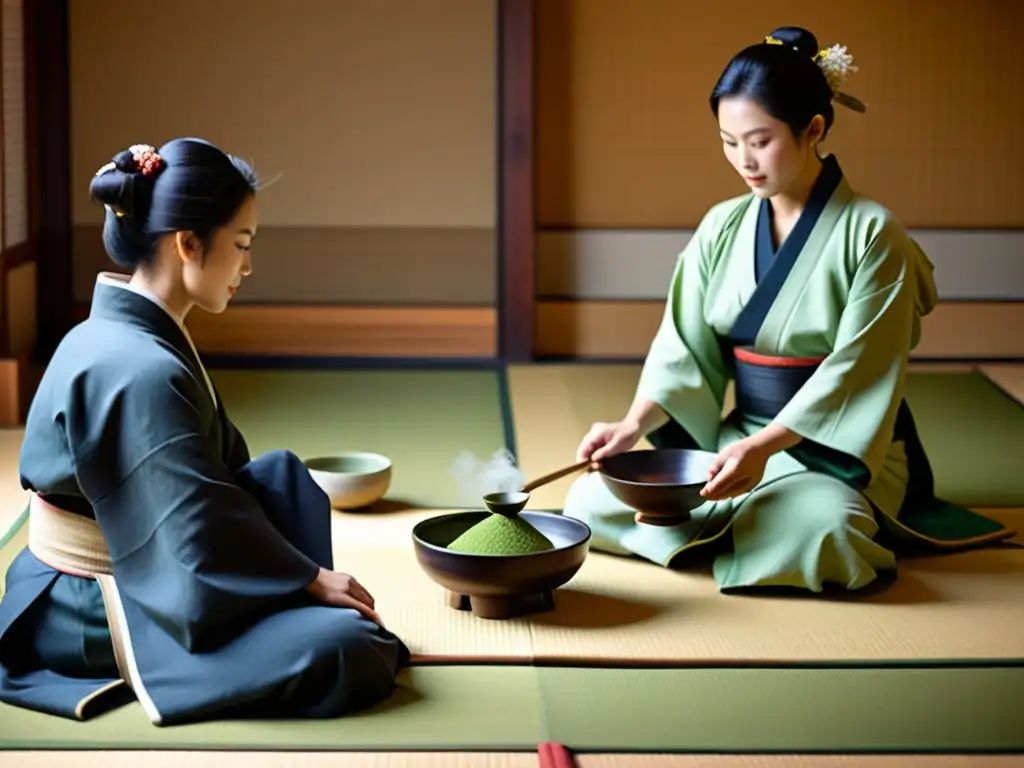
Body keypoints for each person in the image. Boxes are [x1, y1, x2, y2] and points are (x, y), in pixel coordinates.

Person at [567, 27, 1014, 593]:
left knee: (826, 528)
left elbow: (860, 369)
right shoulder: (721, 226)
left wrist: (763, 447)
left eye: (759, 141)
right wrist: (632, 425)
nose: (743, 161)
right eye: (728, 142)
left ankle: (737, 526)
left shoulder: (874, 235)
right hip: (739, 440)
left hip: (833, 444)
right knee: (588, 496)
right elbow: (683, 348)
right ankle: (747, 528)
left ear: (814, 129)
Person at [0, 138, 410, 724]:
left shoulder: (127, 335)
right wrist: (305, 578)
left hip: (145, 561)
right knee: (347, 648)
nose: (247, 266)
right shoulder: (136, 368)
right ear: (187, 243)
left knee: (281, 481)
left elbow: (195, 499)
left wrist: (296, 577)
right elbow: (185, 535)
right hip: (99, 599)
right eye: (240, 245)